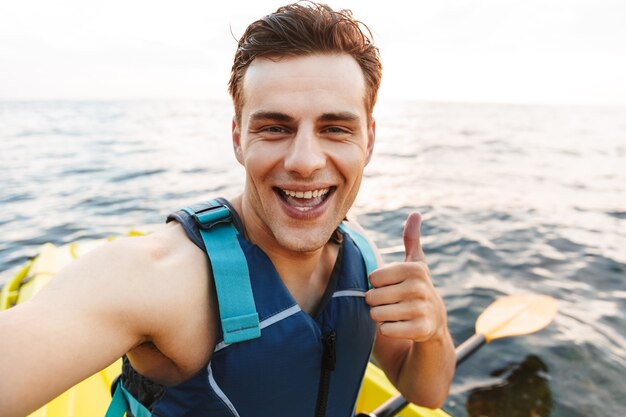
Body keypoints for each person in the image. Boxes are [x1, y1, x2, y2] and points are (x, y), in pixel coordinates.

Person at [0, 2, 455, 416]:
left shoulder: (362, 252)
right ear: (237, 137)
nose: (304, 160)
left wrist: (433, 330)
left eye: (335, 128)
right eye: (275, 127)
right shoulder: (163, 278)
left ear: (369, 140)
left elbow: (427, 392)